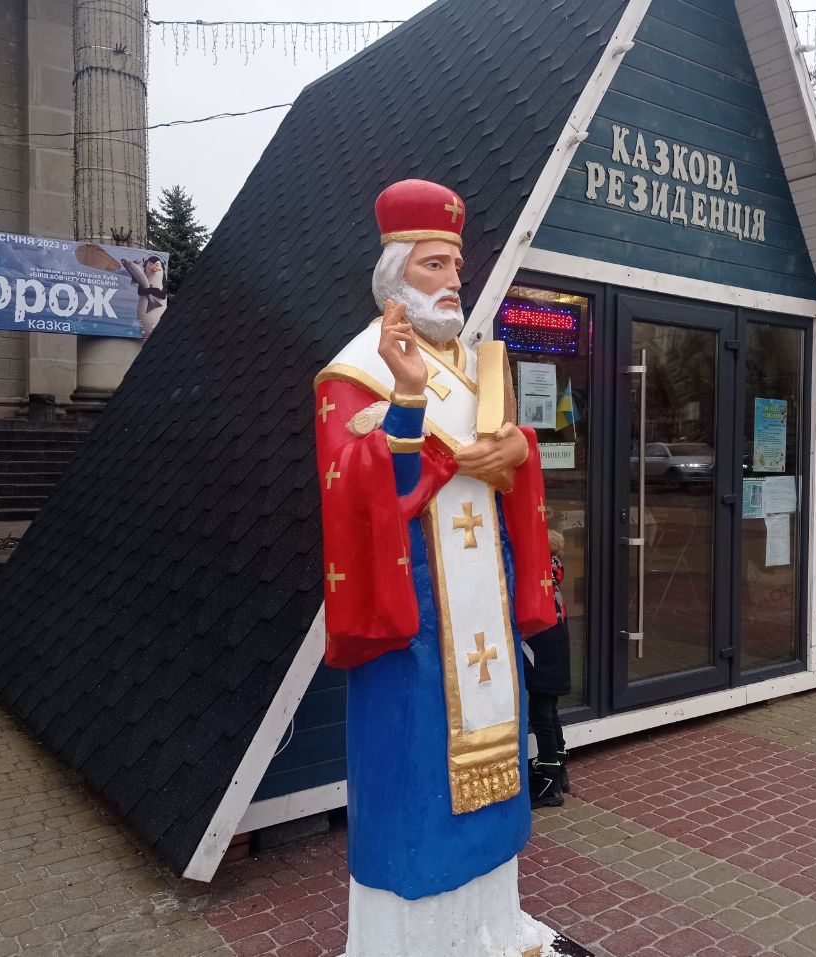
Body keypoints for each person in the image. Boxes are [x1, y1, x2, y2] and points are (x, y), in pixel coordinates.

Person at [313, 179, 557, 956]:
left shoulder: (481, 366)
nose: (454, 278)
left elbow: (508, 466)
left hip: (482, 607)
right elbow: (356, 488)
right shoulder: (355, 372)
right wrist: (411, 401)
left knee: (495, 781)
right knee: (416, 780)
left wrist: (521, 450)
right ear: (394, 276)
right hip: (414, 624)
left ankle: (491, 924)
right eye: (434, 265)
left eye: (457, 263)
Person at [525, 530, 572, 808]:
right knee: (550, 712)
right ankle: (559, 770)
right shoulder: (553, 576)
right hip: (554, 651)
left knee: (541, 715)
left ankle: (549, 781)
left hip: (544, 651)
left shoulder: (542, 577)